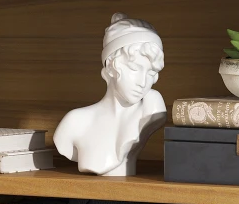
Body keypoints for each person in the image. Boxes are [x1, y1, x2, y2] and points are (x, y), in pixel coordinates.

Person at [54, 13, 166, 176]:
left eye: (150, 73)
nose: (142, 82)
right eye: (134, 69)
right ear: (111, 67)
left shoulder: (151, 107)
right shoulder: (74, 122)